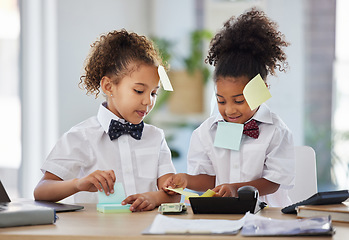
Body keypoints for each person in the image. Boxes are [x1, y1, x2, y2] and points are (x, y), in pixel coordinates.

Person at [34, 29, 180, 211]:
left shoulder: (155, 137)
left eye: (153, 93)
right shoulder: (80, 137)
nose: (148, 101)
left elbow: (174, 193)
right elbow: (41, 190)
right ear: (109, 86)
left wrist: (154, 197)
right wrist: (78, 184)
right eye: (139, 91)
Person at [163, 9, 295, 207]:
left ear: (261, 90)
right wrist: (187, 179)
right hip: (221, 216)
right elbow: (209, 180)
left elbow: (273, 182)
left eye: (239, 101)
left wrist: (237, 189)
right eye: (221, 101)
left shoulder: (276, 131)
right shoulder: (206, 133)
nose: (230, 110)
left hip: (267, 217)